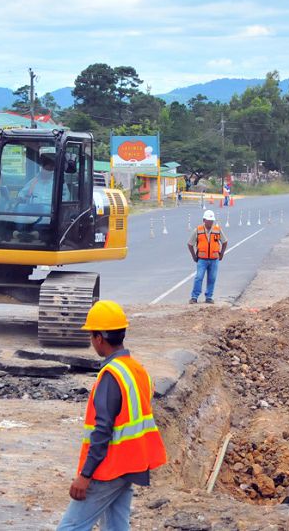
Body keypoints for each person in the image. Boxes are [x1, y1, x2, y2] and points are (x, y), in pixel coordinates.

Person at [58, 300, 167, 531]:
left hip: (109, 468)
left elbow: (103, 430)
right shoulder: (137, 370)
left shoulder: (111, 375)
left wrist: (85, 476)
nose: (91, 341)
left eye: (91, 336)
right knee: (117, 527)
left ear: (99, 338)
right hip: (131, 464)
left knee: (70, 527)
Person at [187, 209, 228, 304]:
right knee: (199, 277)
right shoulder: (198, 230)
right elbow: (190, 244)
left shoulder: (217, 230)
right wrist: (194, 256)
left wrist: (221, 254)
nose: (210, 222)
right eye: (209, 220)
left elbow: (225, 242)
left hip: (214, 259)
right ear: (204, 220)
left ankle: (209, 297)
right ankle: (194, 297)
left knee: (212, 278)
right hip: (202, 259)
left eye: (212, 221)